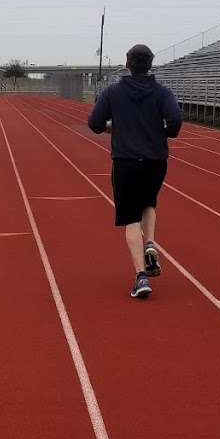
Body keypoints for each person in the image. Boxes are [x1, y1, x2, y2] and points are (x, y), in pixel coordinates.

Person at [87, 43, 182, 299]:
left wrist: (111, 127)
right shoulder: (162, 93)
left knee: (130, 217)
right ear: (150, 65)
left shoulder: (113, 93)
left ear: (128, 64)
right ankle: (150, 243)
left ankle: (141, 276)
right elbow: (175, 122)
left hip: (126, 160)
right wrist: (161, 132)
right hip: (155, 160)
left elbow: (94, 123)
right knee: (149, 202)